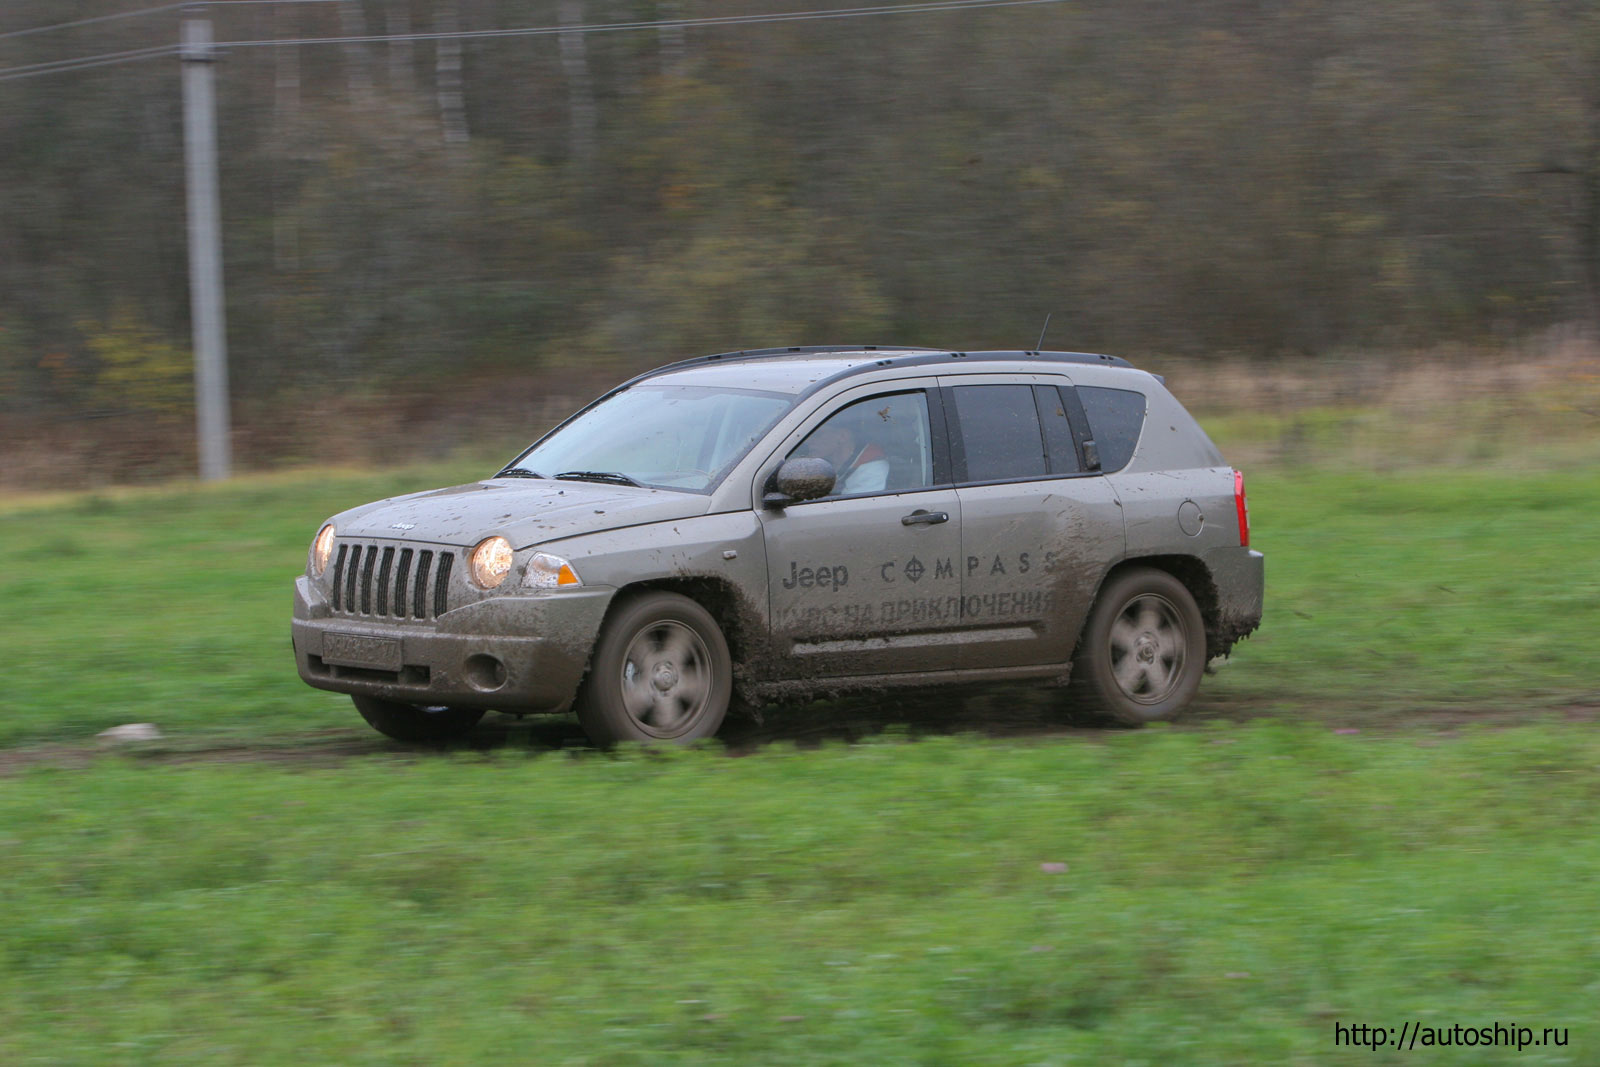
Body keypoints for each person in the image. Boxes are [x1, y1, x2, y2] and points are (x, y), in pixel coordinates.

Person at [799, 414, 889, 494]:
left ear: (842, 436)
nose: (808, 441)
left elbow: (853, 509)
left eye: (817, 435)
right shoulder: (829, 461)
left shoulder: (872, 468)